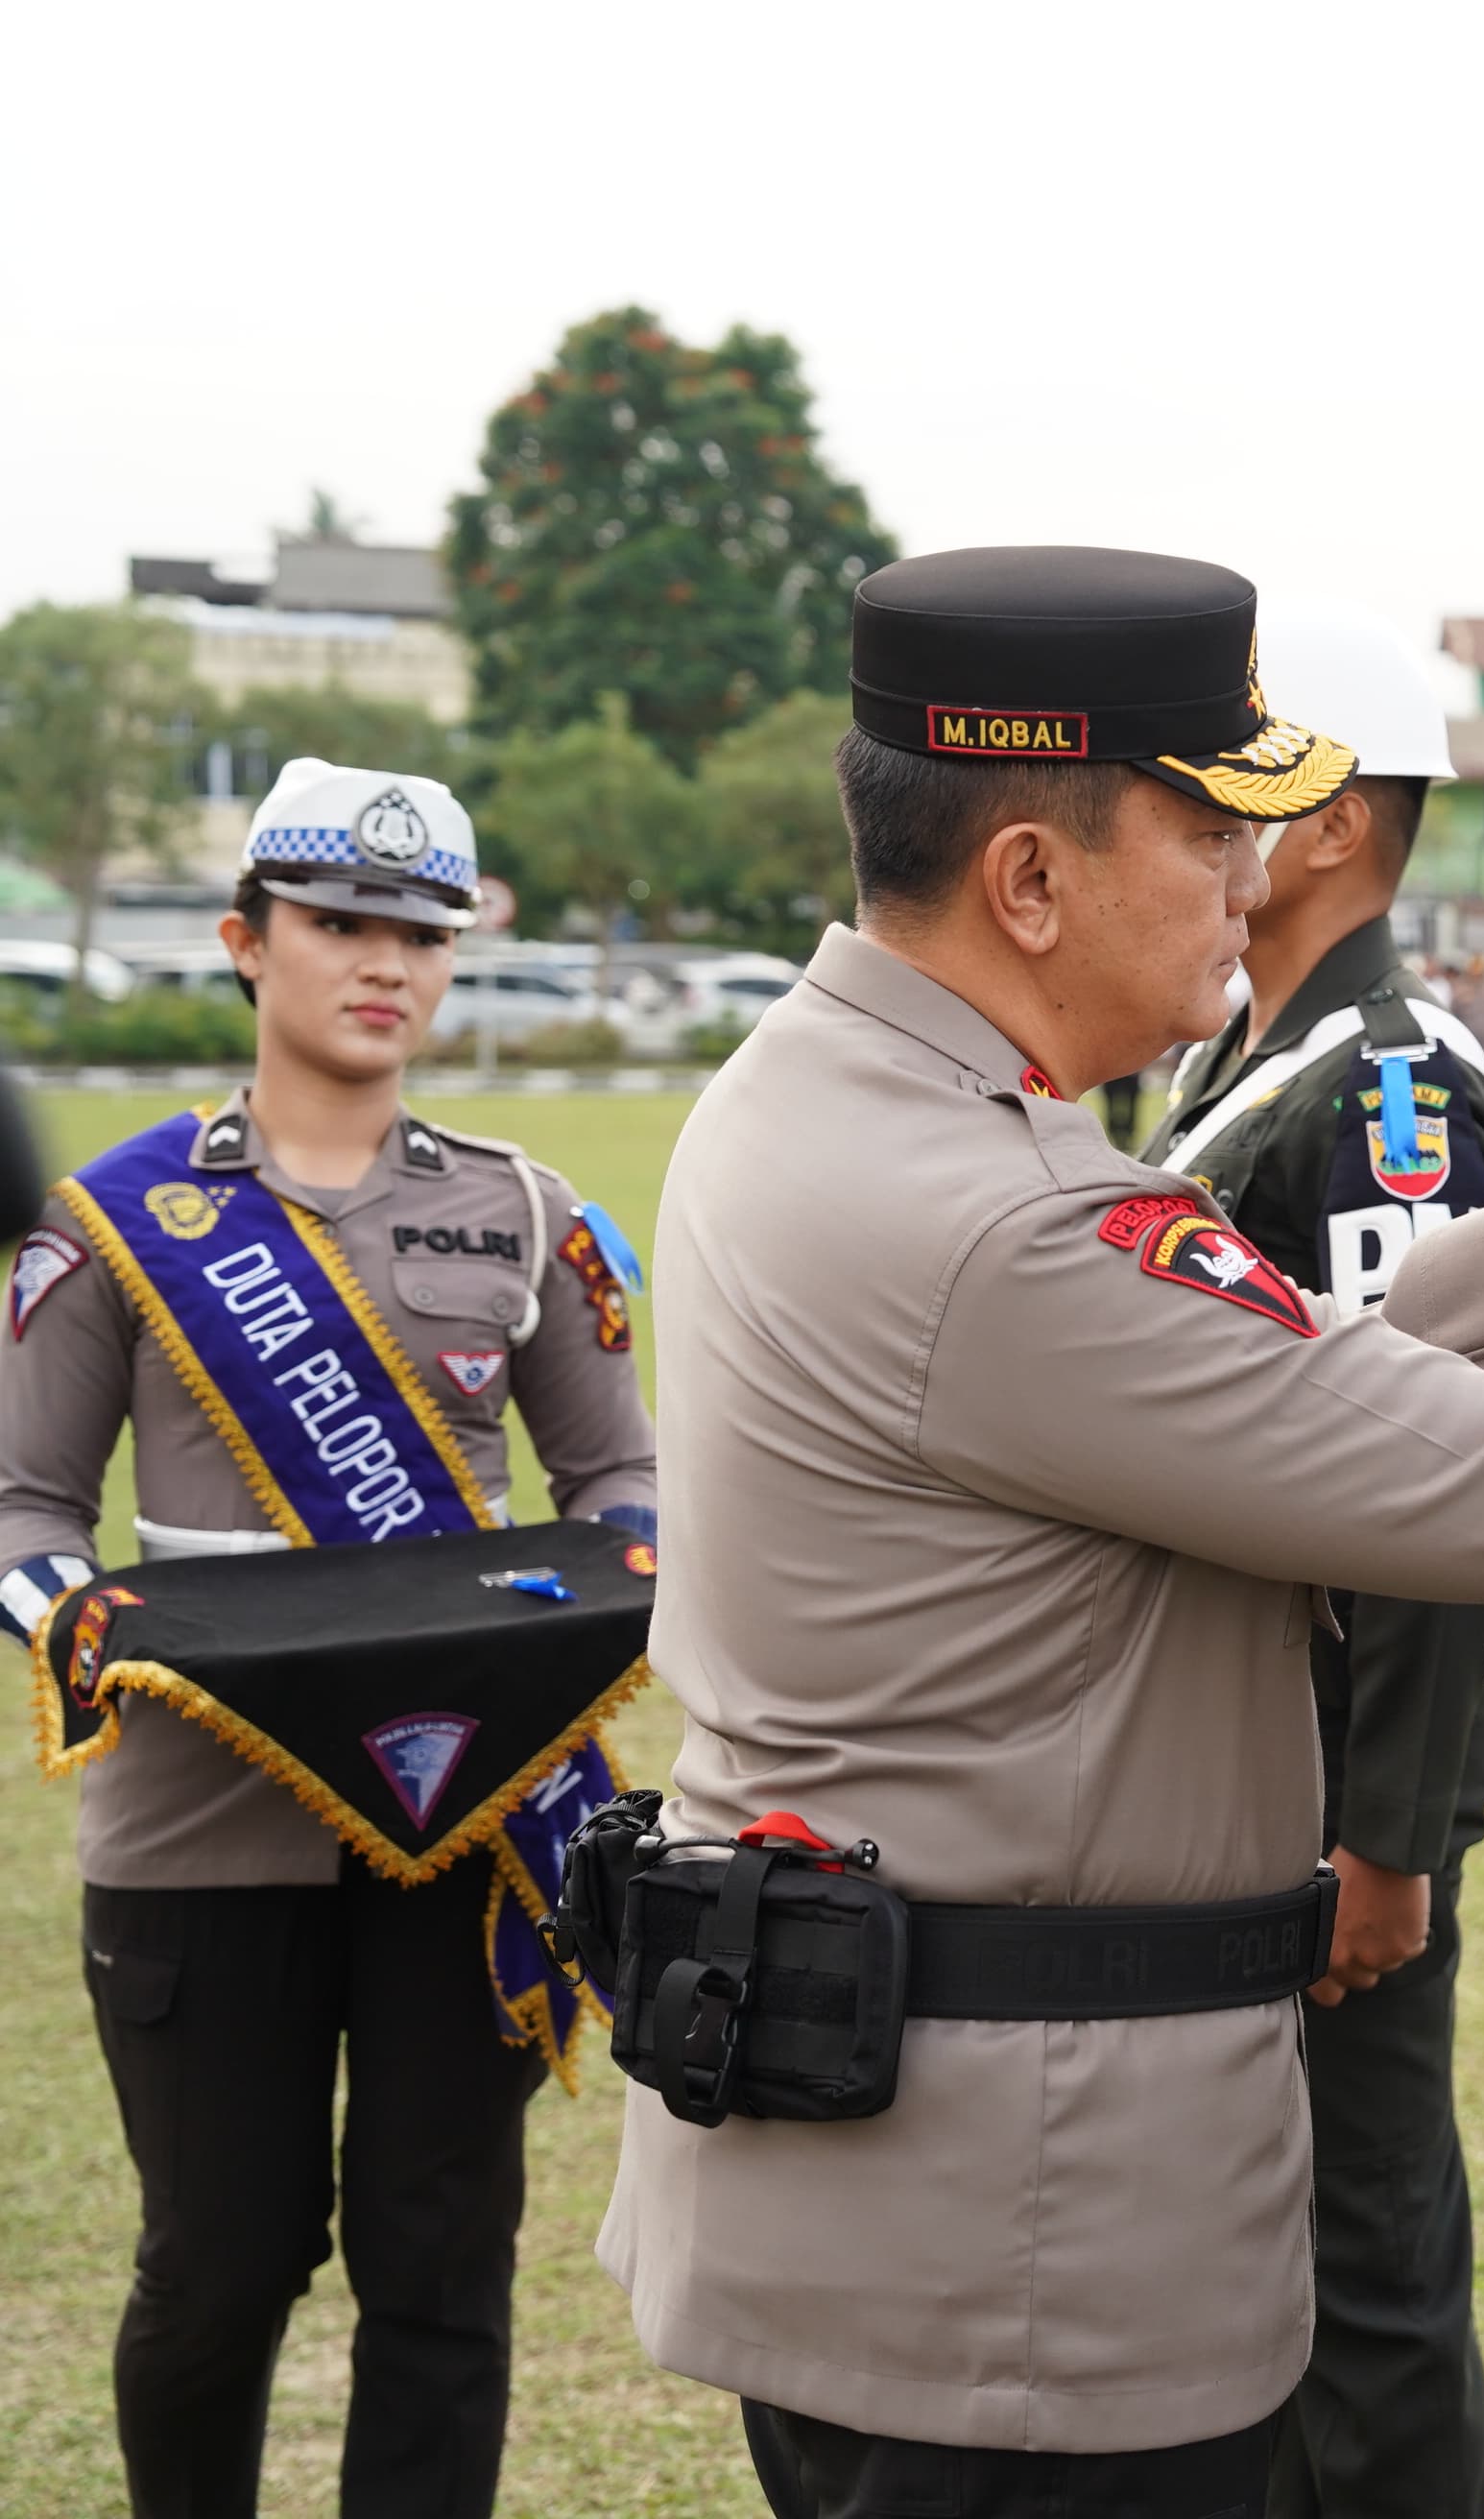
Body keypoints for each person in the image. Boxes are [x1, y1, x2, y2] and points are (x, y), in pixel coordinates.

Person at [596, 545, 1484, 2519]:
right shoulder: (1010, 1216)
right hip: (1015, 2245)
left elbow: (1216, 1418)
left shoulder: (831, 1104)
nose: (1259, 868)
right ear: (1030, 877)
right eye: (1212, 822)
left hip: (937, 2178)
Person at [0, 760, 658, 2519]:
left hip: (470, 1809)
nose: (386, 962)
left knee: (442, 2269)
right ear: (244, 938)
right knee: (216, 2265)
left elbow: (625, 1487)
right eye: (342, 922)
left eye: (419, 932)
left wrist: (602, 1597)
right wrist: (76, 1619)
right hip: (199, 1822)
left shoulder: (522, 1210)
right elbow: (19, 1505)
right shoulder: (116, 1219)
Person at [1137, 607, 1484, 2519]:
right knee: (1255, 2277)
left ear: (1342, 821)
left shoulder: (1386, 1087)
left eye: (1240, 786)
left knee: (1365, 2289)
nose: (1198, 818)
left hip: (1336, 1782)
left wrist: (1390, 1830)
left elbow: (1430, 1475)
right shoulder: (1249, 1054)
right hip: (1239, 1773)